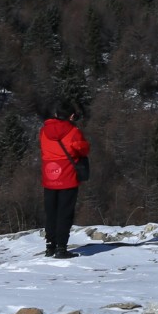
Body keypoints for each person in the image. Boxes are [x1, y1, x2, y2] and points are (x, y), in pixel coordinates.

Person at [39, 106, 90, 259]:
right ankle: (61, 248)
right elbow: (83, 150)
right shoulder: (73, 131)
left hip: (50, 176)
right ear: (72, 116)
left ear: (55, 114)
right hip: (67, 176)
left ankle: (50, 246)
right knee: (64, 213)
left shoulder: (43, 131)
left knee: (51, 213)